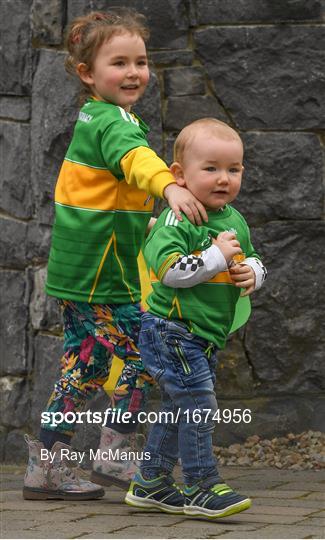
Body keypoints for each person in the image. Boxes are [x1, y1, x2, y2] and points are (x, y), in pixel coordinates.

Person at [23, 10, 209, 501]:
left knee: (82, 368)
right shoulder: (114, 122)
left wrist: (144, 221)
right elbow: (137, 161)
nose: (133, 73)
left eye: (141, 62)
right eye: (119, 62)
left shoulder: (94, 118)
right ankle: (117, 456)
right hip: (102, 280)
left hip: (79, 275)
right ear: (87, 73)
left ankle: (46, 468)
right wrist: (169, 186)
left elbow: (106, 199)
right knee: (153, 355)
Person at [125, 118, 267, 518]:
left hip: (201, 335)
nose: (224, 178)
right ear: (179, 175)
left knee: (178, 407)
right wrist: (217, 256)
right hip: (171, 330)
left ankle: (150, 480)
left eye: (233, 169)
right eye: (211, 168)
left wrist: (251, 272)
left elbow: (253, 256)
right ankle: (202, 484)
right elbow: (170, 271)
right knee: (199, 406)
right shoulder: (177, 218)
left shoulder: (233, 218)